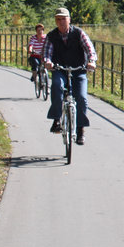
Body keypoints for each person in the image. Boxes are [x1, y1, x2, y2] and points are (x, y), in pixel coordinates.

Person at [43, 8, 97, 146]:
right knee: (56, 86)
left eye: (63, 19)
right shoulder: (51, 36)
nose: (61, 22)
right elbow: (47, 52)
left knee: (82, 97)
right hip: (59, 68)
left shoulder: (78, 33)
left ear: (69, 19)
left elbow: (89, 48)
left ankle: (80, 130)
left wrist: (91, 61)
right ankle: (56, 120)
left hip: (78, 69)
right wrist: (47, 61)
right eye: (58, 19)